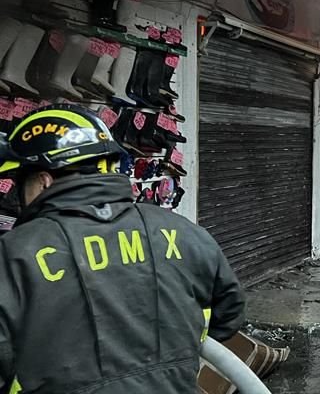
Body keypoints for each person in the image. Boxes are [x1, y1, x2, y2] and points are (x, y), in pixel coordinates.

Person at [0, 105, 245, 393]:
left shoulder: (15, 254)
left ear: (44, 180)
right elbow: (229, 312)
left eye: (21, 186)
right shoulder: (183, 232)